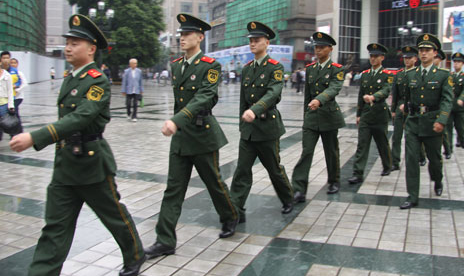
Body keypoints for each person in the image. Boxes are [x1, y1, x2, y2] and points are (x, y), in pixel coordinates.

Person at [5, 14, 145, 276]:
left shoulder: (98, 80)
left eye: (75, 43)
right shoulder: (71, 78)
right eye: (67, 43)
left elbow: (83, 117)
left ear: (91, 48)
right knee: (54, 230)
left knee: (115, 216)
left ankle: (135, 254)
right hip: (65, 165)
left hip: (92, 164)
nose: (68, 48)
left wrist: (36, 136)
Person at [144, 13, 238, 260]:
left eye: (187, 34)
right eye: (180, 34)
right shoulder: (176, 66)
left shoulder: (210, 65)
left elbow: (206, 97)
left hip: (202, 134)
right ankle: (165, 240)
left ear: (200, 36)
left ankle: (229, 217)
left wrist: (176, 120)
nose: (182, 38)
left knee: (214, 183)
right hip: (181, 137)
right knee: (173, 189)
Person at [229, 21, 294, 222]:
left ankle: (288, 198)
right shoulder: (247, 69)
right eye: (251, 40)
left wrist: (254, 111)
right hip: (248, 130)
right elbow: (243, 99)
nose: (252, 43)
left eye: (257, 40)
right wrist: (243, 123)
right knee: (241, 171)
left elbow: (273, 93)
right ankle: (235, 210)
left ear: (267, 43)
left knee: (274, 169)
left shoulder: (275, 67)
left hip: (267, 129)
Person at [400, 34, 453, 209]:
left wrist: (442, 120)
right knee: (411, 159)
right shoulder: (410, 74)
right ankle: (412, 196)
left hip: (433, 123)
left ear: (434, 53)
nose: (423, 54)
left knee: (435, 159)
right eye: (421, 50)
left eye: (427, 50)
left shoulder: (443, 75)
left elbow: (447, 100)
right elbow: (406, 97)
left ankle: (437, 180)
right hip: (414, 122)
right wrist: (403, 109)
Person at [291, 32, 345, 201]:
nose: (318, 50)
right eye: (316, 47)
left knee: (331, 152)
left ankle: (334, 181)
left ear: (330, 49)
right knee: (306, 152)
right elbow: (307, 94)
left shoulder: (337, 69)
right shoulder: (311, 69)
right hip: (312, 118)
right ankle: (299, 188)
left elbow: (334, 88)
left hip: (329, 116)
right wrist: (306, 115)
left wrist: (319, 100)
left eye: (322, 47)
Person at [348, 43, 394, 183]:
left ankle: (387, 165)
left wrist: (374, 97)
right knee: (362, 144)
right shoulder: (365, 75)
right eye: (371, 56)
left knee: (382, 143)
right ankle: (358, 173)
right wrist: (358, 114)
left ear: (382, 58)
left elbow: (386, 90)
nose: (373, 59)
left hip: (380, 114)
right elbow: (361, 95)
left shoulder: (387, 75)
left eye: (376, 56)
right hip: (366, 115)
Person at [390, 46, 418, 172]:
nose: (407, 60)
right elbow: (395, 94)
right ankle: (395, 161)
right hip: (399, 107)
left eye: (410, 58)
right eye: (405, 58)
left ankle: (417, 157)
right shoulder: (399, 74)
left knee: (411, 136)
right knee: (396, 136)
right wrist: (393, 110)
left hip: (413, 108)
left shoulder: (418, 73)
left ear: (415, 59)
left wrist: (409, 104)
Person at [446, 52, 464, 152]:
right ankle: (449, 148)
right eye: (455, 62)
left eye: (459, 62)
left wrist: (461, 98)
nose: (456, 64)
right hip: (450, 105)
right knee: (448, 128)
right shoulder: (450, 76)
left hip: (460, 107)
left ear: (463, 64)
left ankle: (461, 139)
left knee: (460, 127)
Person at [0, 51, 21, 142]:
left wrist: (16, 85)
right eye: (4, 58)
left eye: (7, 58)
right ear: (0, 60)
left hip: (11, 98)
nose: (6, 60)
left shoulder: (14, 70)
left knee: (12, 116)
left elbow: (19, 81)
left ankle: (13, 134)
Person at [434, 49, 452, 158]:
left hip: (440, 105)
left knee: (443, 131)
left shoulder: (444, 73)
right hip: (431, 107)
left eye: (437, 58)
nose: (435, 60)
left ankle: (447, 149)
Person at [121, 58, 144, 122]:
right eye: (134, 63)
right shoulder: (126, 71)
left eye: (136, 63)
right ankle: (128, 114)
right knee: (128, 103)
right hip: (129, 90)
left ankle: (134, 116)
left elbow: (140, 81)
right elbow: (124, 82)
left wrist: (141, 90)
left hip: (136, 90)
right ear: (130, 64)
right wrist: (123, 90)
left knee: (135, 104)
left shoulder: (139, 71)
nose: (135, 64)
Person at [9, 58, 28, 132]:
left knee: (15, 113)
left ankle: (18, 130)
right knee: (13, 113)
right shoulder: (8, 73)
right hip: (10, 97)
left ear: (17, 64)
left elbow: (25, 84)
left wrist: (18, 90)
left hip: (18, 97)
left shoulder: (19, 73)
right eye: (11, 63)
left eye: (14, 63)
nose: (13, 64)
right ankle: (16, 130)